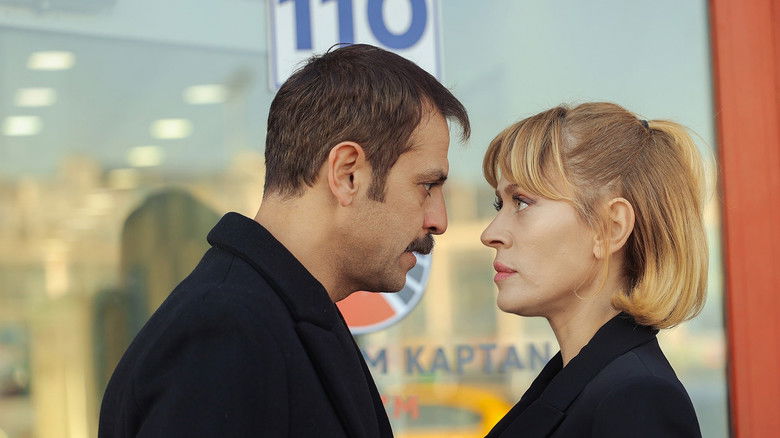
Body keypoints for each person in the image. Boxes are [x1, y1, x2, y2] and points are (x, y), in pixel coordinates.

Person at [98, 44, 469, 437]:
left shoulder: (276, 318)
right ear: (347, 174)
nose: (439, 221)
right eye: (427, 185)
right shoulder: (226, 332)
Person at [481, 103, 705, 437]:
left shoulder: (637, 398)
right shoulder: (577, 382)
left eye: (522, 202)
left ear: (611, 228)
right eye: (500, 204)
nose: (490, 234)